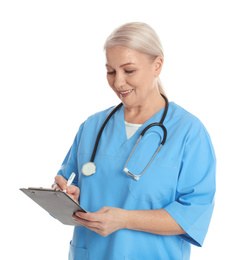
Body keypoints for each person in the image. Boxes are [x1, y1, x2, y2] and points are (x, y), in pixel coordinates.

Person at [53, 22, 216, 260]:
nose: (118, 83)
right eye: (111, 71)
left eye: (129, 71)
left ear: (157, 65)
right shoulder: (92, 127)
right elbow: (69, 185)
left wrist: (125, 219)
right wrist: (67, 196)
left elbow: (193, 215)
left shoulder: (189, 133)